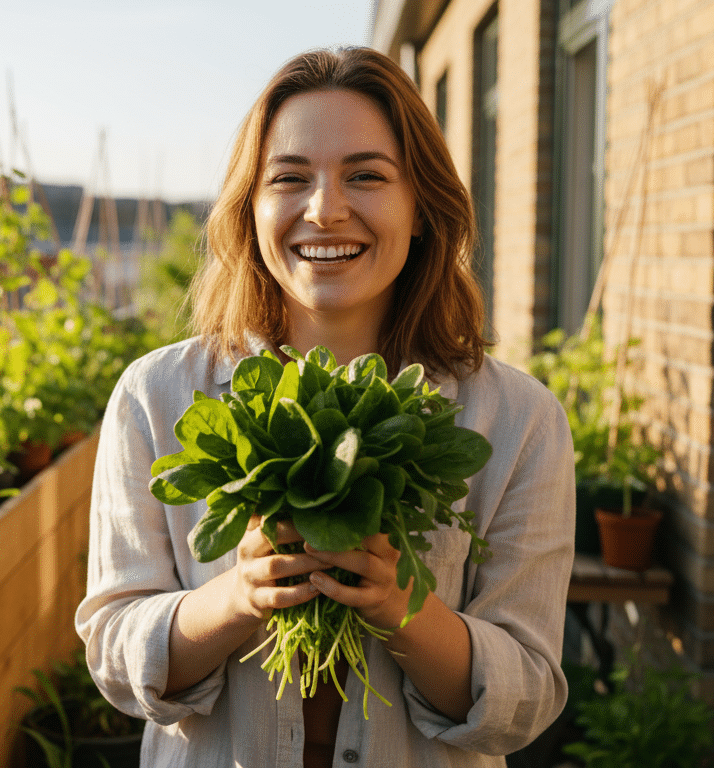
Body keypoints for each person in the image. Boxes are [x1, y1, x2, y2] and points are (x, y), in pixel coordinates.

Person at [75, 47, 575, 767]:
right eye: (290, 178)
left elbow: (525, 695)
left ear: (422, 207)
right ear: (250, 210)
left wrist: (407, 609)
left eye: (366, 175)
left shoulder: (520, 421)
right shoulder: (156, 398)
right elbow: (117, 656)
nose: (325, 209)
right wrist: (238, 597)